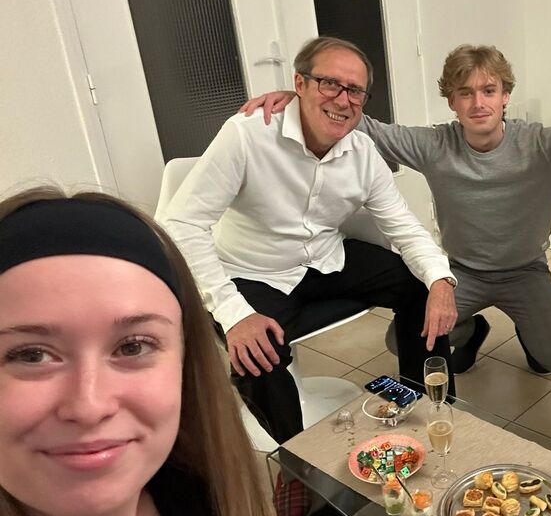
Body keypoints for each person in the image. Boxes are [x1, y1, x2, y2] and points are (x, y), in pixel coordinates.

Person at [0, 188, 330, 516]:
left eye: (133, 346)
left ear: (186, 367)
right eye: (30, 354)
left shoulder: (195, 495)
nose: (89, 406)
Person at [241, 44, 551, 375]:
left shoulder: (543, 144)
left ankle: (531, 336)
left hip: (525, 271)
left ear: (505, 96)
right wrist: (300, 96)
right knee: (403, 343)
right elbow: (361, 122)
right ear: (451, 101)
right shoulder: (434, 145)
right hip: (461, 273)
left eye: (489, 90)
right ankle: (471, 333)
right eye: (465, 93)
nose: (478, 103)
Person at [159, 36, 458, 446]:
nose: (342, 99)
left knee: (421, 286)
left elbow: (404, 227)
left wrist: (440, 280)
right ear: (299, 83)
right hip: (252, 270)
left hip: (324, 258)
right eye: (329, 83)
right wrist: (233, 312)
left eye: (355, 90)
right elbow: (180, 224)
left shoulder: (362, 152)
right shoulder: (247, 136)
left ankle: (427, 405)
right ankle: (297, 458)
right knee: (256, 357)